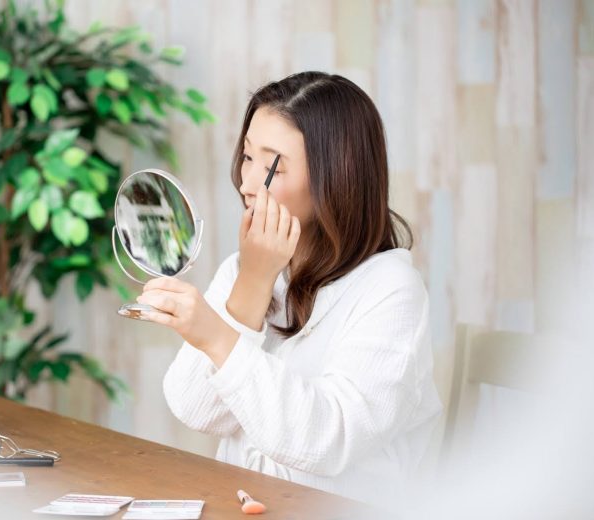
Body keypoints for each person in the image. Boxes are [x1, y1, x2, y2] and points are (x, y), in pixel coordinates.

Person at [135, 71, 443, 508]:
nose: (246, 183)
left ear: (338, 175)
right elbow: (195, 409)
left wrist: (219, 336)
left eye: (271, 166)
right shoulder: (247, 269)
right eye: (247, 157)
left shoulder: (391, 290)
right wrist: (252, 286)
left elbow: (328, 441)